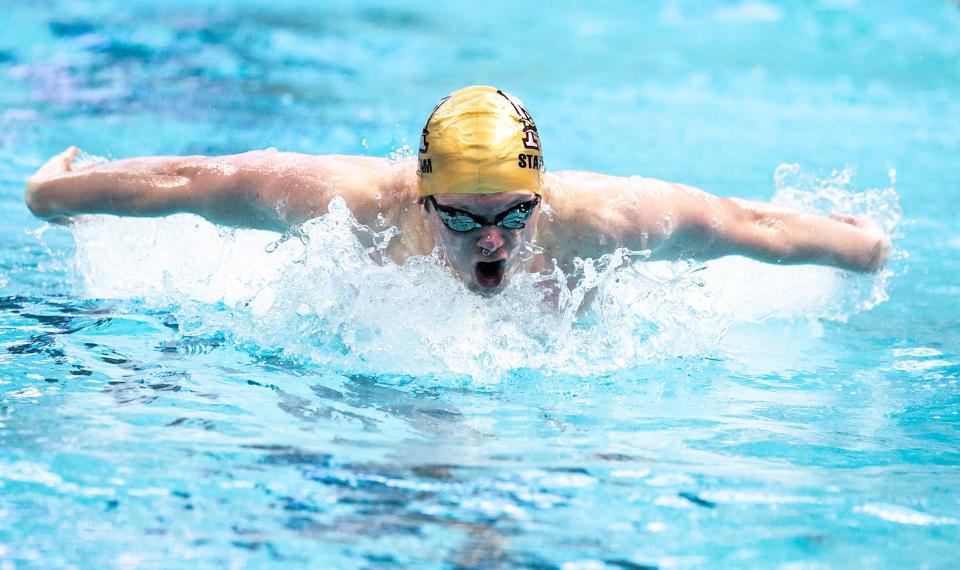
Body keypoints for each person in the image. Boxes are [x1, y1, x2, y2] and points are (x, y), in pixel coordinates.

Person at [24, 85, 889, 295]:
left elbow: (741, 222)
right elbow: (195, 181)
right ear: (419, 193)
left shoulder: (604, 219)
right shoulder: (350, 204)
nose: (493, 240)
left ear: (542, 197)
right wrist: (53, 194)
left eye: (516, 212)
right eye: (468, 217)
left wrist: (859, 246)